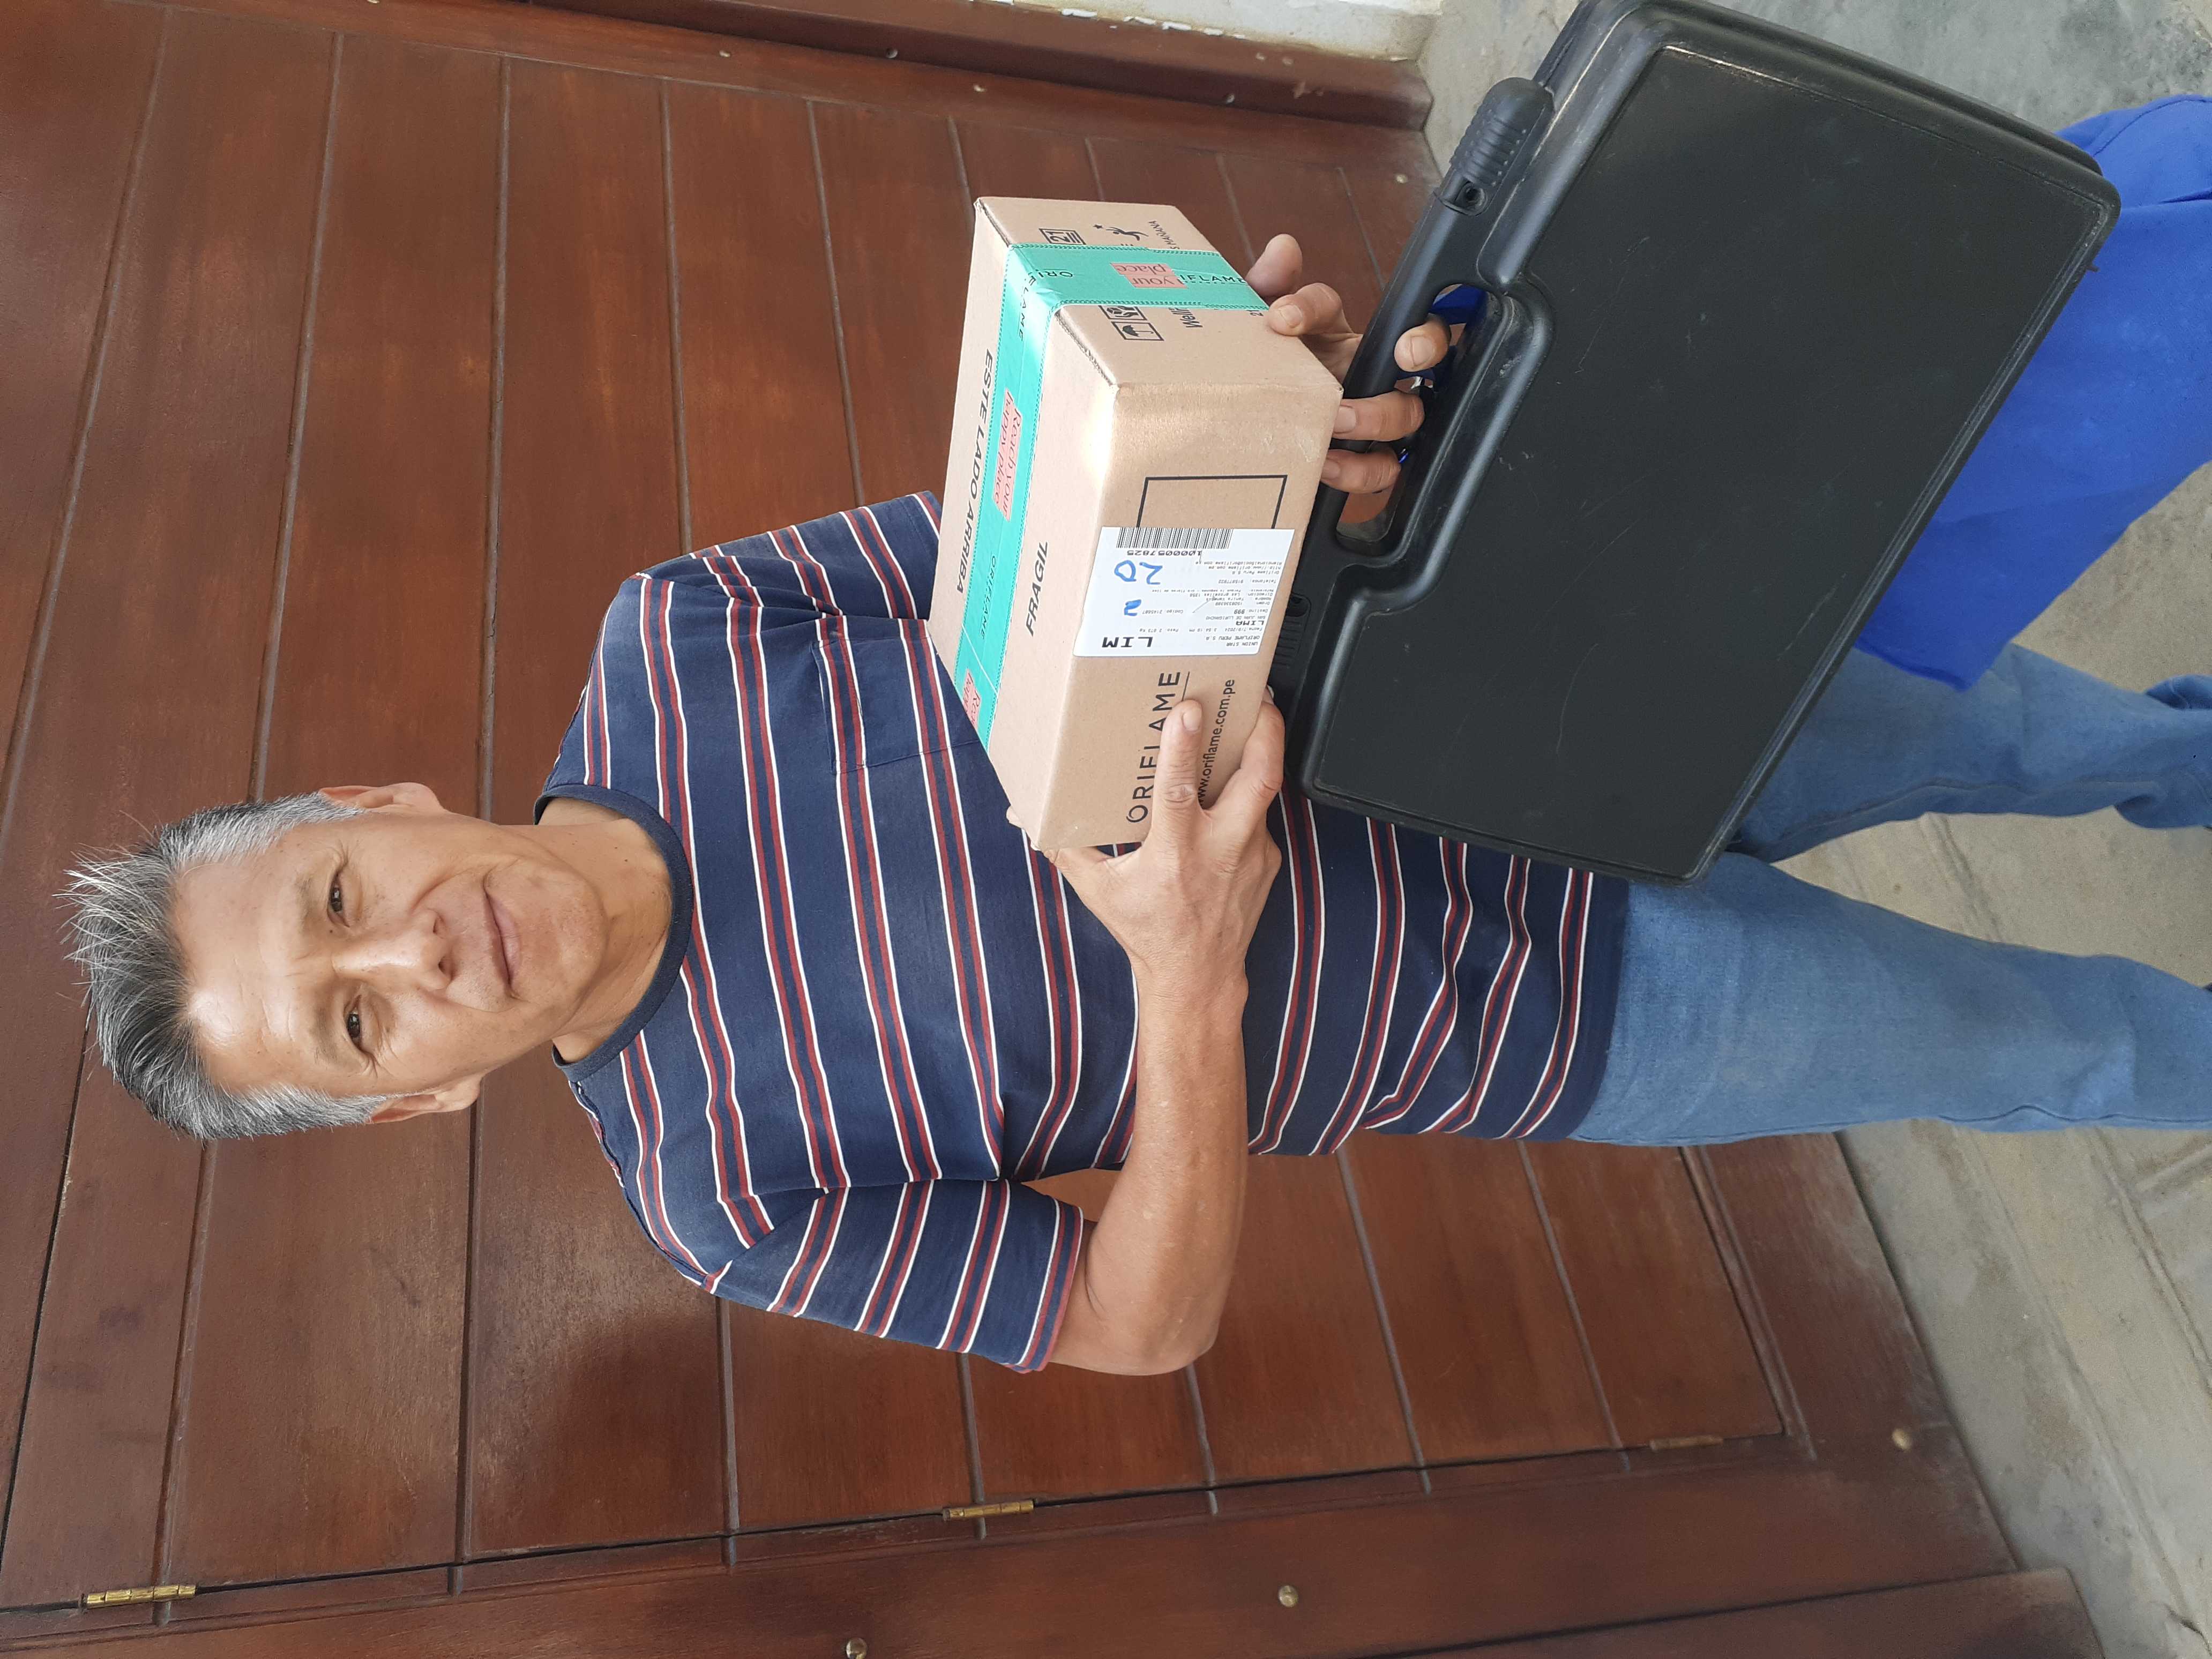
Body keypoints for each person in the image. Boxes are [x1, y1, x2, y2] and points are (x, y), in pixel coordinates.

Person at [64, 204, 2212, 1378]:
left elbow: (1075, 528)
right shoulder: (724, 1198)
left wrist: (1256, 413)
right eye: (360, 1020)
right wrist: (1187, 979)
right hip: (1573, 1018)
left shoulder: (681, 633)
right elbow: (1134, 1328)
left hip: (1521, 705)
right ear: (417, 1102)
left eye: (339, 896)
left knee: (2030, 733)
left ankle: (2178, 762)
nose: (415, 952)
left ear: (374, 797)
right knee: (2053, 1049)